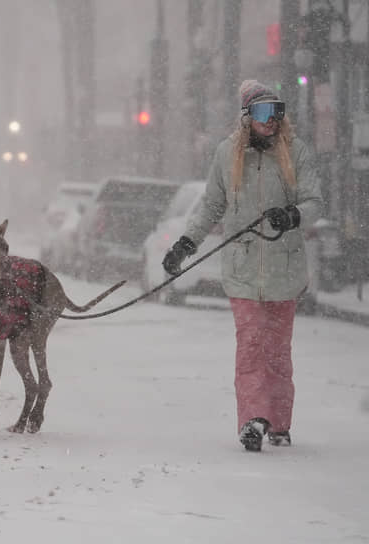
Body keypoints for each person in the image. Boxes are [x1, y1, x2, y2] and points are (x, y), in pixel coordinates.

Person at [162, 80, 323, 452]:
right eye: (265, 113)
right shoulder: (227, 154)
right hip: (243, 269)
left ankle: (280, 422)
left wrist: (292, 215)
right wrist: (185, 244)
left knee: (278, 350)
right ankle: (252, 419)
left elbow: (315, 202)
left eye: (278, 112)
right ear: (247, 117)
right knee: (250, 345)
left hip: (285, 269)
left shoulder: (296, 152)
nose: (272, 120)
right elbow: (211, 207)